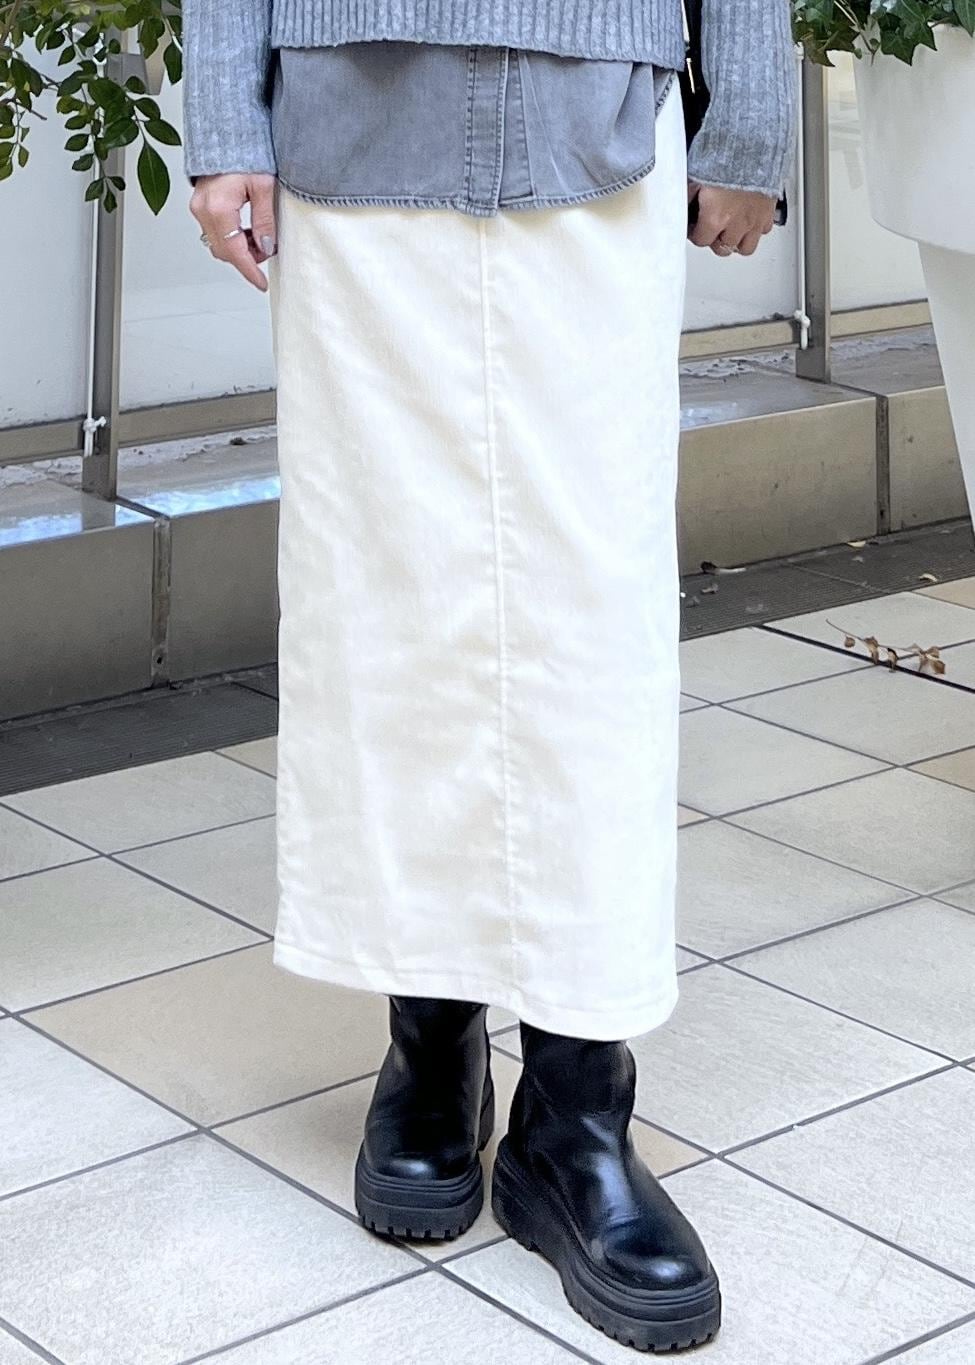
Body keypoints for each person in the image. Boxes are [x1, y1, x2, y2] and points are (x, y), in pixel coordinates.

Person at [182, 0, 796, 1351]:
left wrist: (750, 118)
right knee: (384, 608)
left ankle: (576, 1109)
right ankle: (431, 1039)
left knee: (590, 627)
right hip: (350, 103)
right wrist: (225, 120)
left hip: (598, 99)